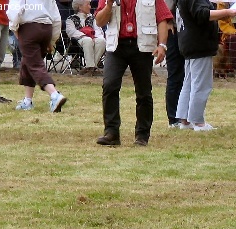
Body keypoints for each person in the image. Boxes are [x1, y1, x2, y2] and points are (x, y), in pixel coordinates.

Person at [95, 0, 172, 146]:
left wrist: (162, 45)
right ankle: (111, 133)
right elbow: (99, 21)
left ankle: (142, 135)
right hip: (116, 47)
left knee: (144, 92)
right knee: (109, 85)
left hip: (141, 46)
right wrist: (109, 5)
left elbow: (162, 18)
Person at [175, 0, 236, 131]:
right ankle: (198, 122)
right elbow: (203, 14)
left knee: (189, 82)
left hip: (188, 42)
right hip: (199, 44)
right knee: (201, 84)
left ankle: (185, 120)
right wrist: (227, 12)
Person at [7, 0, 68, 112]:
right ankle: (27, 101)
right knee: (28, 62)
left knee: (34, 65)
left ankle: (54, 95)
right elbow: (56, 16)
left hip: (29, 28)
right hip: (47, 28)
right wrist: (53, 39)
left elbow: (15, 9)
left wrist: (14, 28)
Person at [66, 0, 105, 73]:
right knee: (87, 40)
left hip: (93, 39)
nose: (90, 7)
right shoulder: (70, 19)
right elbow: (71, 32)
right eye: (88, 5)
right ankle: (90, 67)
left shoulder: (92, 18)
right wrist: (84, 36)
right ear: (80, 7)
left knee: (101, 41)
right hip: (77, 42)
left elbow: (98, 30)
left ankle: (90, 67)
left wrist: (96, 37)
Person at [165, 0, 185, 128]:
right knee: (175, 75)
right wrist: (167, 21)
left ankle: (184, 116)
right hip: (173, 32)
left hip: (186, 31)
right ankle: (173, 118)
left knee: (185, 75)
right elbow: (165, 8)